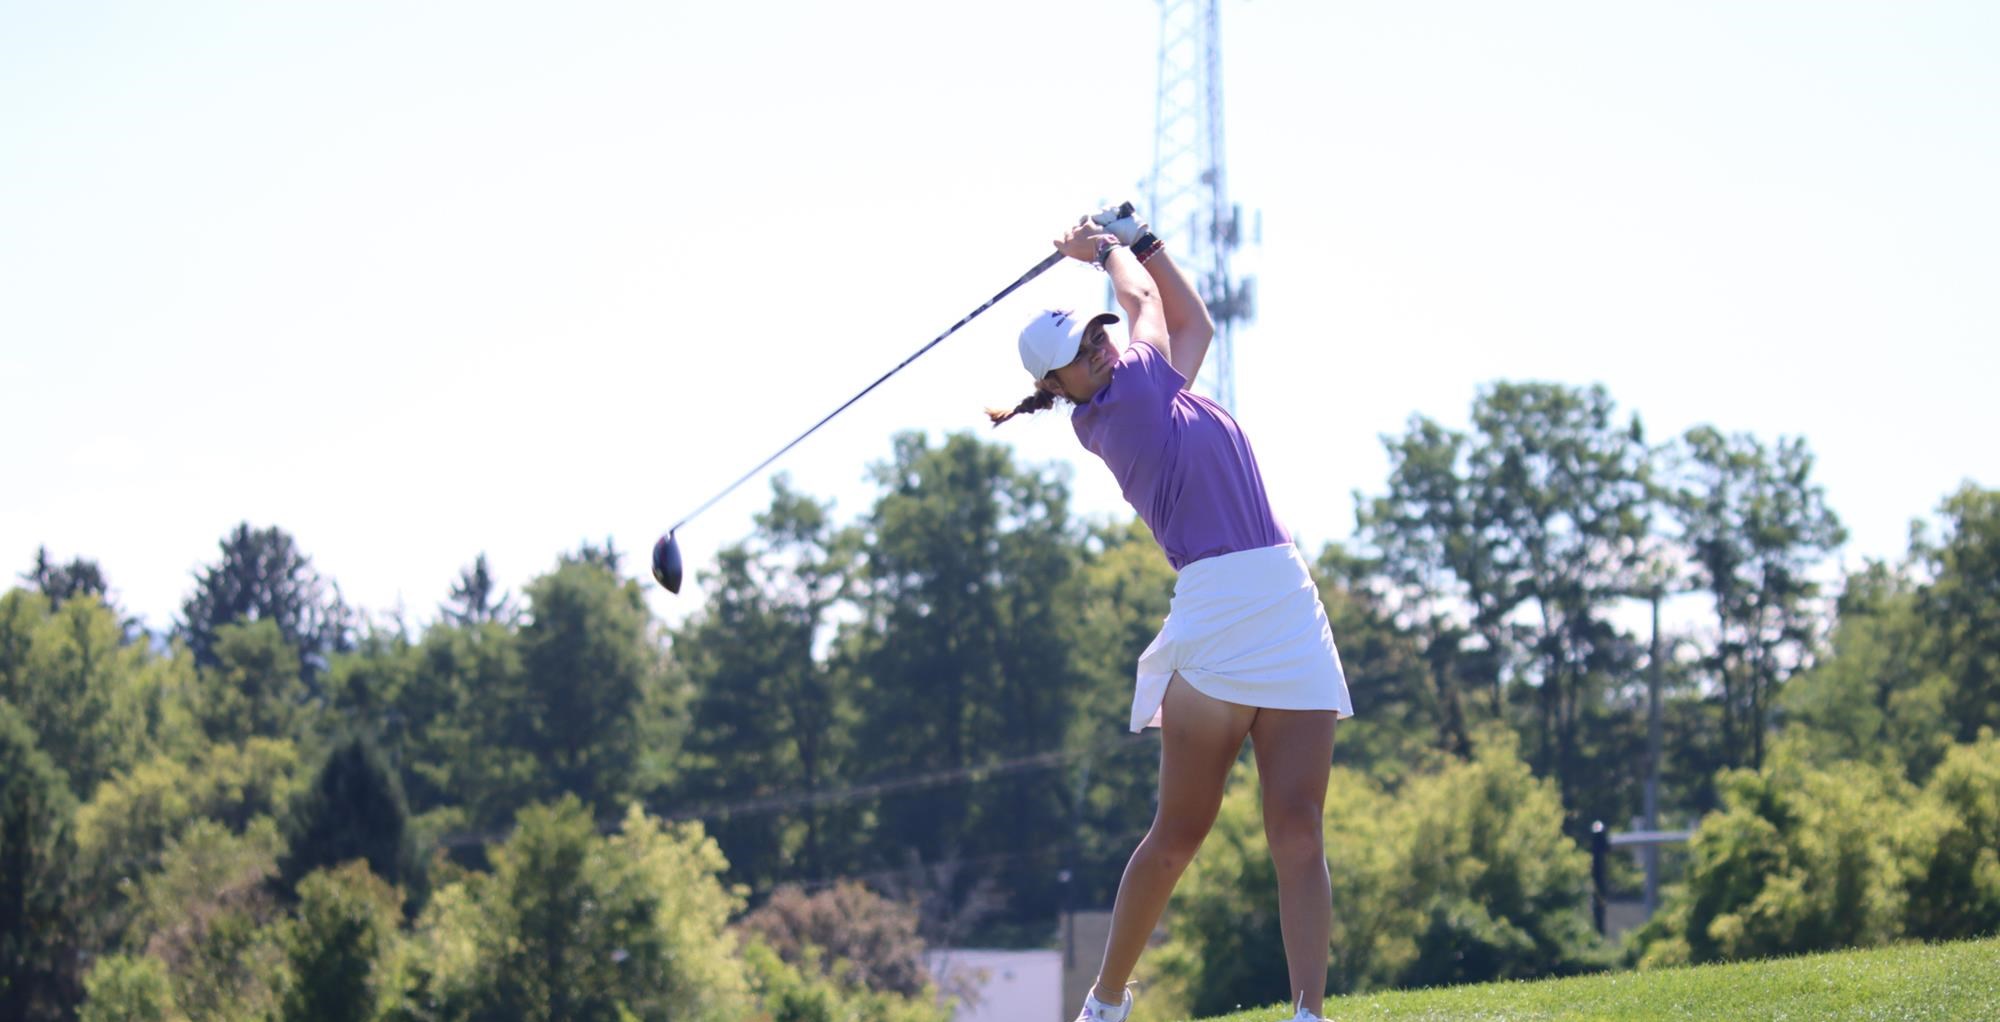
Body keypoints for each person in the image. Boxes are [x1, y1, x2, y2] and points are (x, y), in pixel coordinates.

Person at [989, 206, 1354, 1022]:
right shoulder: (1123, 407)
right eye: (1081, 352)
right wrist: (1110, 250)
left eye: (1096, 334)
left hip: (1286, 597)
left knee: (1298, 828)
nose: (1099, 345)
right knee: (1181, 831)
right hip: (1221, 613)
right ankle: (1106, 1001)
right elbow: (1149, 307)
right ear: (1057, 388)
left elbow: (1190, 321)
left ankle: (1307, 1013)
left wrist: (1142, 242)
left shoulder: (1153, 385)